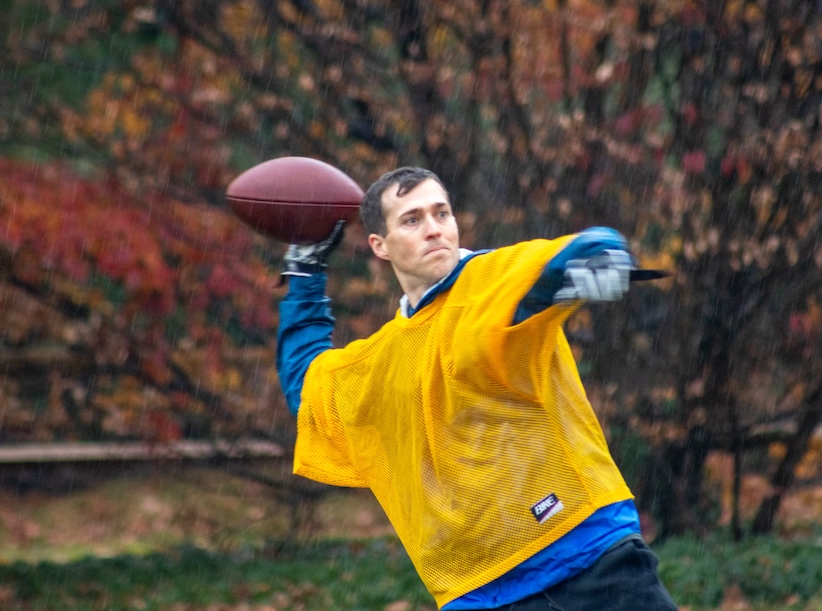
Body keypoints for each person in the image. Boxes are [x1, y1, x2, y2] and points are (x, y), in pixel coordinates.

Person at [275, 166, 677, 610]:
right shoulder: (380, 363)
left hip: (591, 563)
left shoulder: (492, 281)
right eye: (412, 220)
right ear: (379, 245)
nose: (434, 229)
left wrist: (600, 256)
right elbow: (306, 386)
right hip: (478, 596)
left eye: (441, 213)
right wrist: (305, 271)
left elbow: (572, 255)